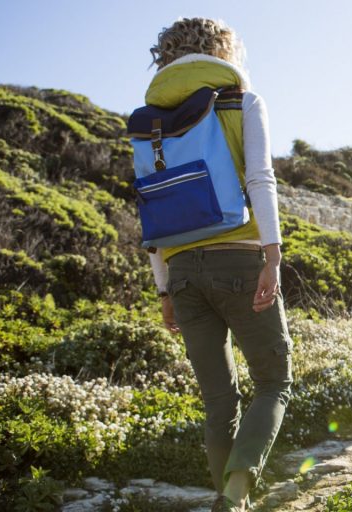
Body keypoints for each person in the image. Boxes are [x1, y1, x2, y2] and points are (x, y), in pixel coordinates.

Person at [145, 18, 290, 512]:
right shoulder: (241, 101)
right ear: (223, 50)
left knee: (217, 402)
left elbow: (151, 208)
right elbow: (261, 179)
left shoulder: (148, 122)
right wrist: (272, 255)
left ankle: (230, 502)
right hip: (242, 260)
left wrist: (163, 289)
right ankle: (235, 496)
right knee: (273, 383)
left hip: (182, 271)